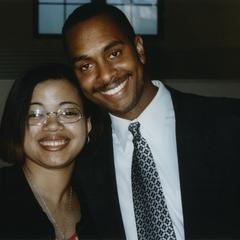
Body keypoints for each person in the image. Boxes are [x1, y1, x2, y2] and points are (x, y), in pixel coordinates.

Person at [62, 3, 240, 240]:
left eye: (114, 53)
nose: (105, 75)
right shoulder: (84, 164)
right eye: (86, 66)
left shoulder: (229, 123)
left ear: (139, 49)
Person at [0, 63, 100, 239]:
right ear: (17, 124)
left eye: (68, 112)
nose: (53, 125)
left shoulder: (101, 203)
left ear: (87, 125)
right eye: (35, 114)